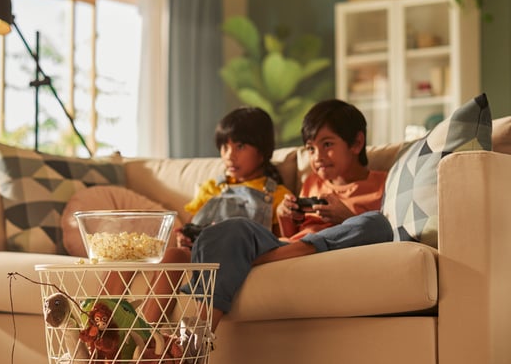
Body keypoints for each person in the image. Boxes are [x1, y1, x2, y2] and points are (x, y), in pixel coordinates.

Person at [187, 99, 394, 332]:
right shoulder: (312, 182)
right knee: (232, 228)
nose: (318, 156)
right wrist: (286, 217)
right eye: (311, 148)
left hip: (327, 250)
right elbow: (292, 235)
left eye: (327, 144)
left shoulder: (383, 182)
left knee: (375, 223)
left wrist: (344, 217)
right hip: (289, 249)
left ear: (356, 143)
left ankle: (245, 260)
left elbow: (385, 236)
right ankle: (199, 337)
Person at [106, 106, 294, 323]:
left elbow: (275, 241)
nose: (229, 155)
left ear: (262, 151)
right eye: (224, 147)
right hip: (197, 251)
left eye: (240, 146)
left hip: (232, 258)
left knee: (175, 256)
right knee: (150, 252)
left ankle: (147, 334)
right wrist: (184, 236)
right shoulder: (212, 187)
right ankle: (105, 327)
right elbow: (191, 225)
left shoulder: (276, 194)